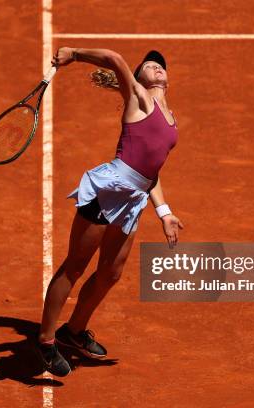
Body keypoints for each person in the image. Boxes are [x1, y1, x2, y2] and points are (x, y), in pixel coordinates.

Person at [35, 47, 184, 376]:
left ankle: (72, 332)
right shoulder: (138, 98)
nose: (157, 68)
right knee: (75, 266)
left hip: (135, 199)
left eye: (161, 66)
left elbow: (152, 170)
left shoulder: (171, 118)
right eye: (149, 66)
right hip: (109, 190)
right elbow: (116, 59)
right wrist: (74, 54)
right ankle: (45, 342)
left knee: (110, 274)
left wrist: (165, 212)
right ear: (138, 77)